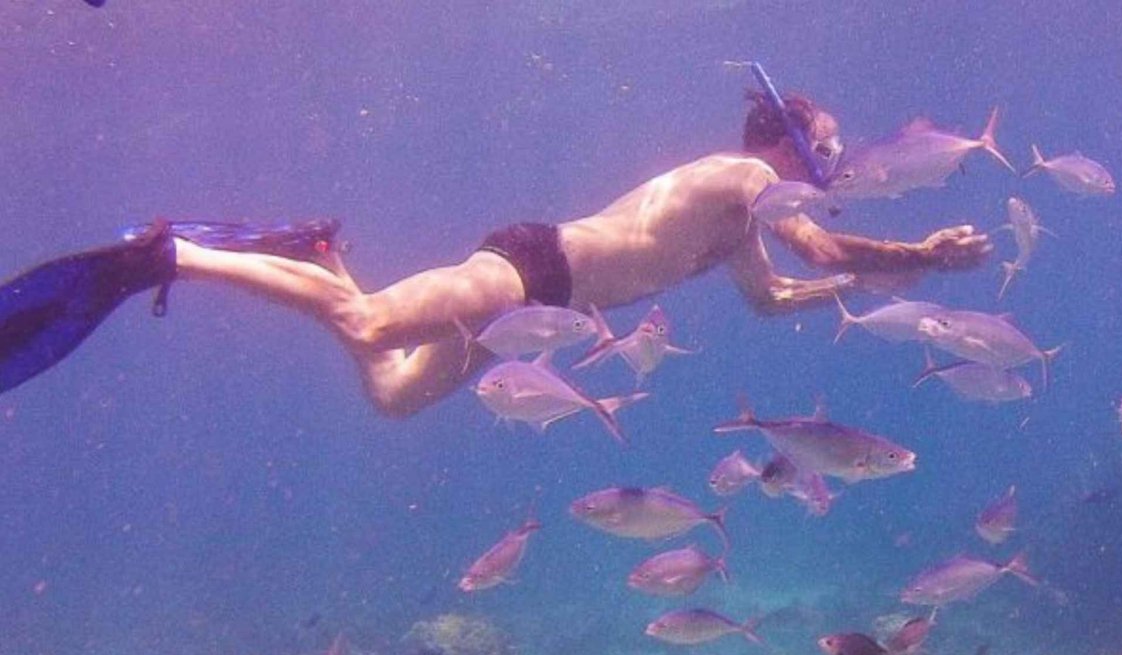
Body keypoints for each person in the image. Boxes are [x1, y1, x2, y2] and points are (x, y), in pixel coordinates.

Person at [0, 86, 991, 416]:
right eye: (823, 142)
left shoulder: (743, 225)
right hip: (534, 268)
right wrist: (920, 254)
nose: (832, 156)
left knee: (390, 393)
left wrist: (871, 276)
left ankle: (313, 250)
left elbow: (775, 297)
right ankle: (170, 259)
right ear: (779, 139)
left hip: (544, 321)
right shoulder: (745, 180)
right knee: (370, 319)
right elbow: (818, 246)